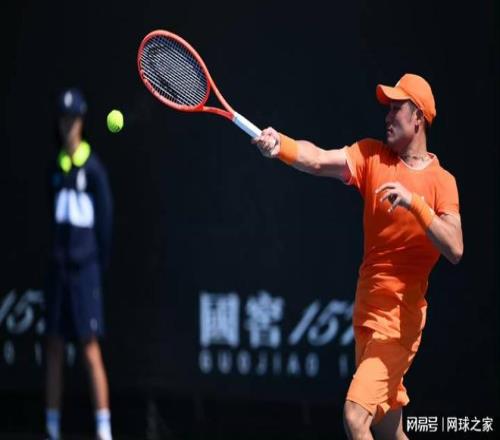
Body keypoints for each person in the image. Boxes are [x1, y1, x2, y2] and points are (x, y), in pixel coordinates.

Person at [252, 73, 463, 440]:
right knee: (389, 430)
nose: (388, 116)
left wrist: (415, 205)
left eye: (396, 109)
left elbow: (455, 248)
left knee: (355, 418)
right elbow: (318, 159)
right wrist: (280, 145)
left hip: (397, 327)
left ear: (418, 117)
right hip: (366, 317)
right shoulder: (371, 156)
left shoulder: (442, 182)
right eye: (387, 109)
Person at [45, 88, 114, 440]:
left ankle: (104, 430)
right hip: (58, 272)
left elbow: (105, 226)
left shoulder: (95, 170)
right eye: (63, 119)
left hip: (85, 272)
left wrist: (95, 267)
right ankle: (51, 427)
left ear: (82, 122)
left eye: (73, 119)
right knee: (54, 347)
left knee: (90, 348)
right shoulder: (55, 168)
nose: (68, 126)